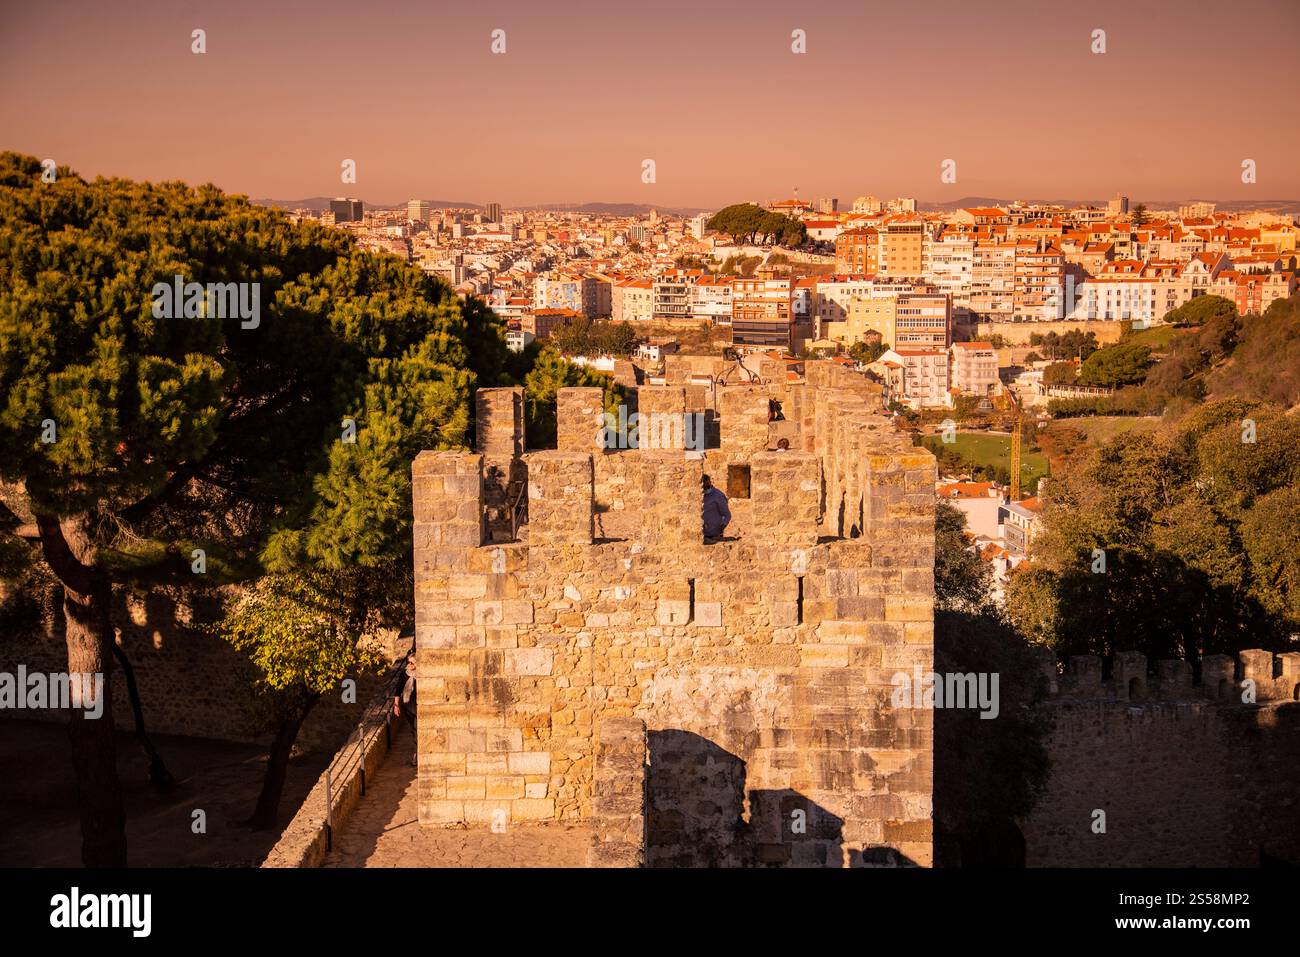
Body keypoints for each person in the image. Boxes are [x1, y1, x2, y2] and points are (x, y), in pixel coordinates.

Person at [393, 652, 417, 764]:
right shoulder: (404, 674)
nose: (410, 665)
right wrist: (396, 705)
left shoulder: (422, 675)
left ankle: (417, 754)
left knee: (417, 730)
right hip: (408, 706)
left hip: (419, 707)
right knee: (413, 730)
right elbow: (398, 690)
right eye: (409, 662)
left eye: (412, 662)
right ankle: (417, 752)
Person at [702, 474, 731, 542]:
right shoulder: (699, 495)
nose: (704, 488)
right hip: (701, 535)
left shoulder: (718, 496)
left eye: (706, 486)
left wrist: (721, 528)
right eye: (703, 487)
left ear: (709, 482)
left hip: (713, 535)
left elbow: (727, 515)